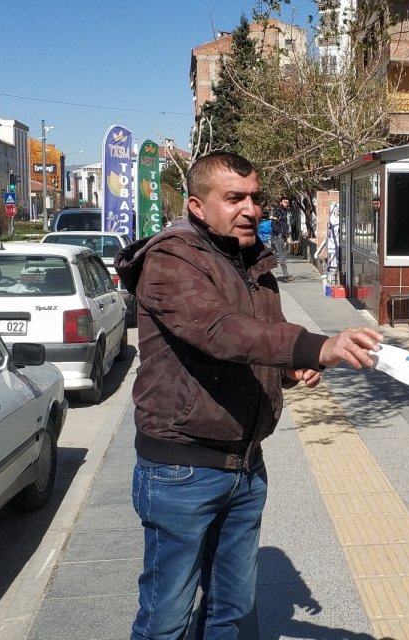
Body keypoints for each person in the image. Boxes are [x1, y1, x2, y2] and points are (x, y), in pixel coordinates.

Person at [115, 152, 381, 640]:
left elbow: (259, 340)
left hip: (244, 463)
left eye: (255, 197)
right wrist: (316, 346)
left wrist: (288, 368)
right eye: (234, 198)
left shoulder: (252, 260)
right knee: (166, 621)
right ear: (197, 206)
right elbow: (220, 331)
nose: (250, 209)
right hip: (181, 469)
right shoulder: (170, 259)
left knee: (234, 612)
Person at [259, 205, 289, 281]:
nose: (287, 204)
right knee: (282, 256)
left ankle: (265, 273)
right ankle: (286, 276)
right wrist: (279, 233)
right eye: (285, 202)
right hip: (276, 237)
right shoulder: (279, 212)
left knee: (271, 255)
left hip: (268, 239)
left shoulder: (261, 223)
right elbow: (274, 225)